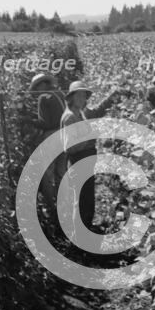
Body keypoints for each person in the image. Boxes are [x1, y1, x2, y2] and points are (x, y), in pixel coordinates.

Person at [60, 81, 127, 234]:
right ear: (72, 98)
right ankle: (78, 236)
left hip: (85, 161)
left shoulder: (81, 114)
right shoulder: (70, 118)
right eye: (80, 95)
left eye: (84, 96)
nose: (83, 99)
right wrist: (89, 139)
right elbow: (69, 147)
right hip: (78, 161)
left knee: (87, 197)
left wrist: (114, 95)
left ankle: (85, 230)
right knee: (81, 199)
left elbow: (97, 111)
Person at [20, 73, 67, 217]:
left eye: (36, 87)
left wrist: (27, 120)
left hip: (52, 136)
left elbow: (46, 123)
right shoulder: (60, 93)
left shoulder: (44, 97)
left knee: (47, 173)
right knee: (61, 171)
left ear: (42, 85)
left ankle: (52, 208)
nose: (36, 91)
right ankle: (64, 204)